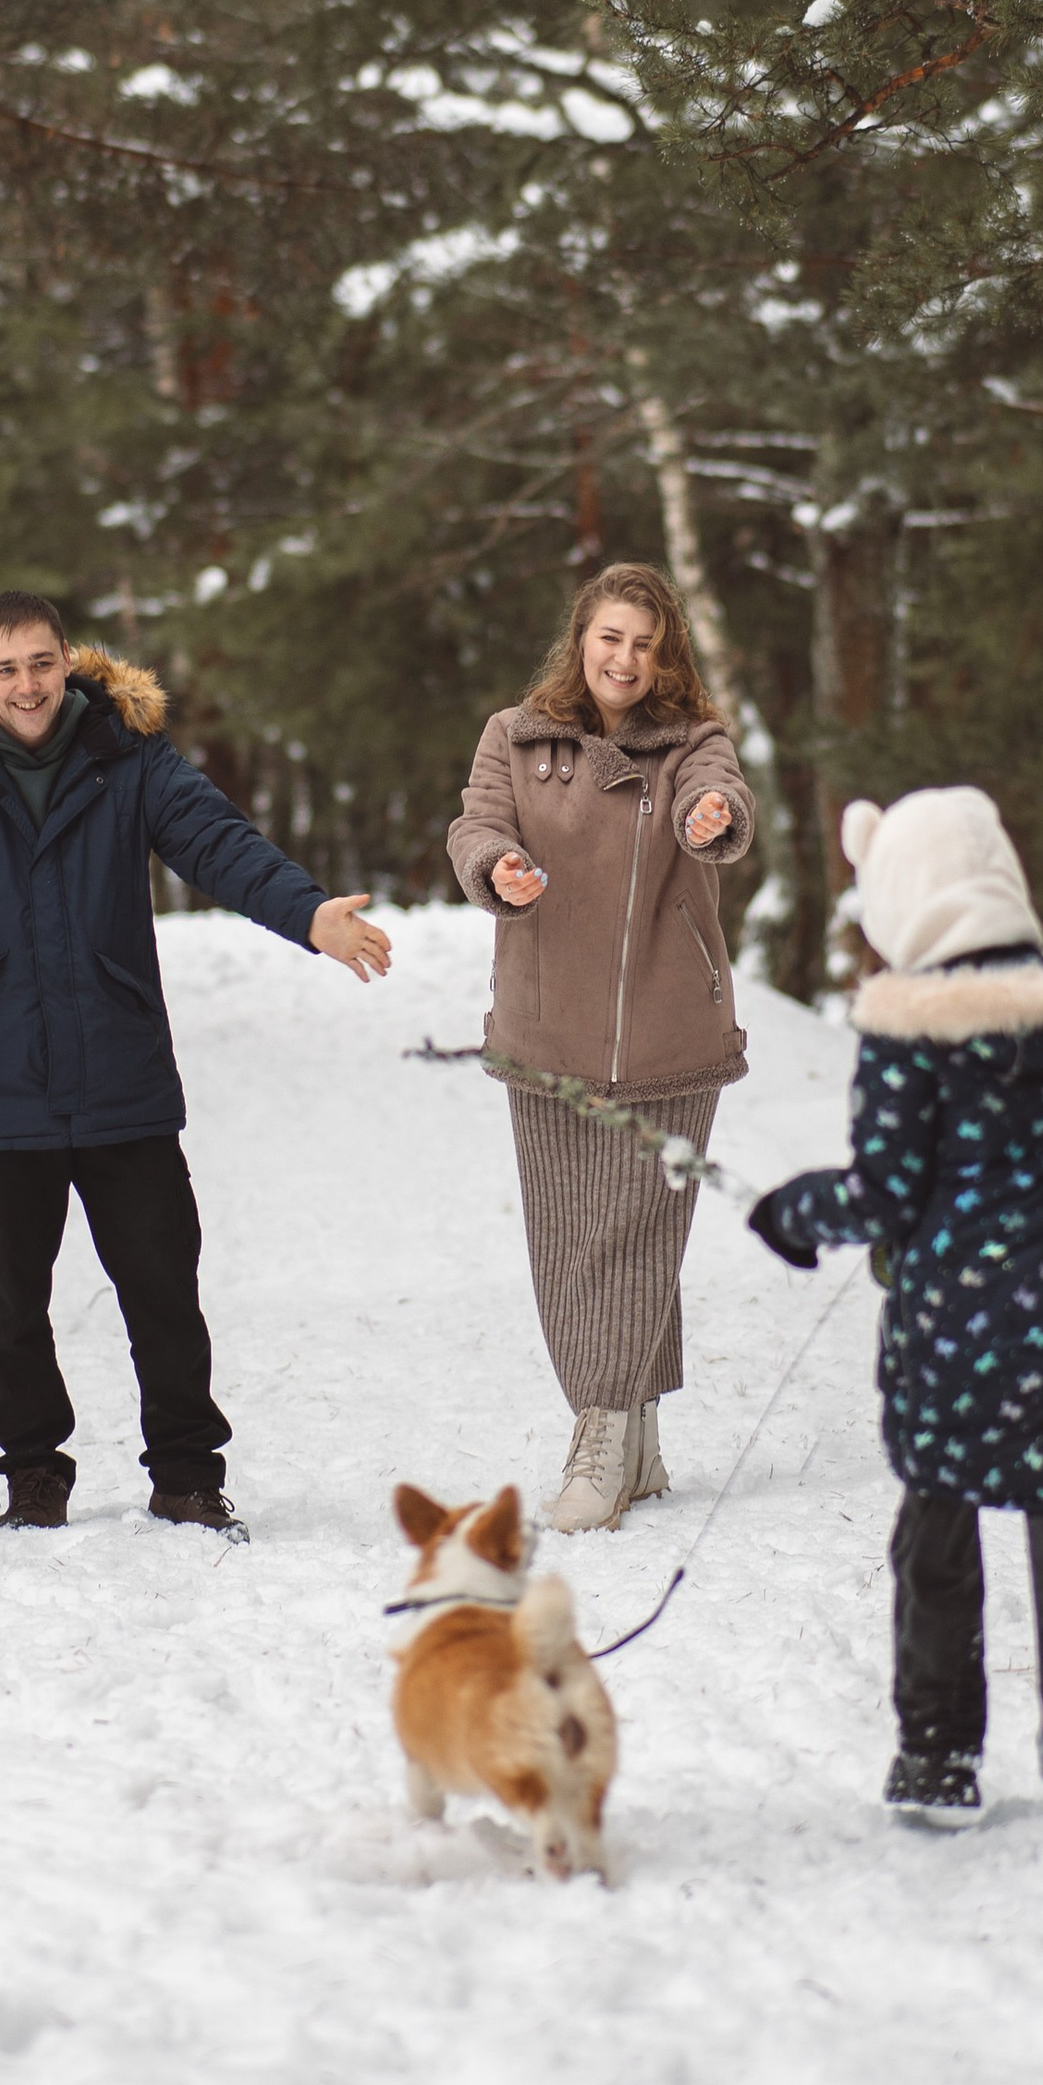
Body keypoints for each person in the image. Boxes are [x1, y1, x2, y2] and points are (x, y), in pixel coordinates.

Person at [0, 590, 390, 1534]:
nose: (27, 685)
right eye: (5, 668)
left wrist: (308, 915)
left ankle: (186, 1475)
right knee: (11, 1296)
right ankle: (32, 1480)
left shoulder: (127, 760)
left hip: (119, 1067)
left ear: (69, 660)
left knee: (161, 1285)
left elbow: (218, 845)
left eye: (42, 663)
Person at [746, 788, 1043, 1879]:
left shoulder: (905, 1031)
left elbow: (883, 1193)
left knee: (936, 1531)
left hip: (955, 1335)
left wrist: (790, 1213)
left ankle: (936, 1751)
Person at [447, 563, 754, 1533]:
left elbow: (723, 801)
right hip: (543, 1028)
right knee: (567, 1239)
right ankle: (641, 1439)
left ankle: (600, 1432)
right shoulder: (515, 734)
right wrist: (494, 865)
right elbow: (476, 823)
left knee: (631, 1232)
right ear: (580, 639)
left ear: (665, 657)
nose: (624, 657)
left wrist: (715, 819)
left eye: (644, 642)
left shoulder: (692, 742)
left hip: (667, 1032)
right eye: (609, 636)